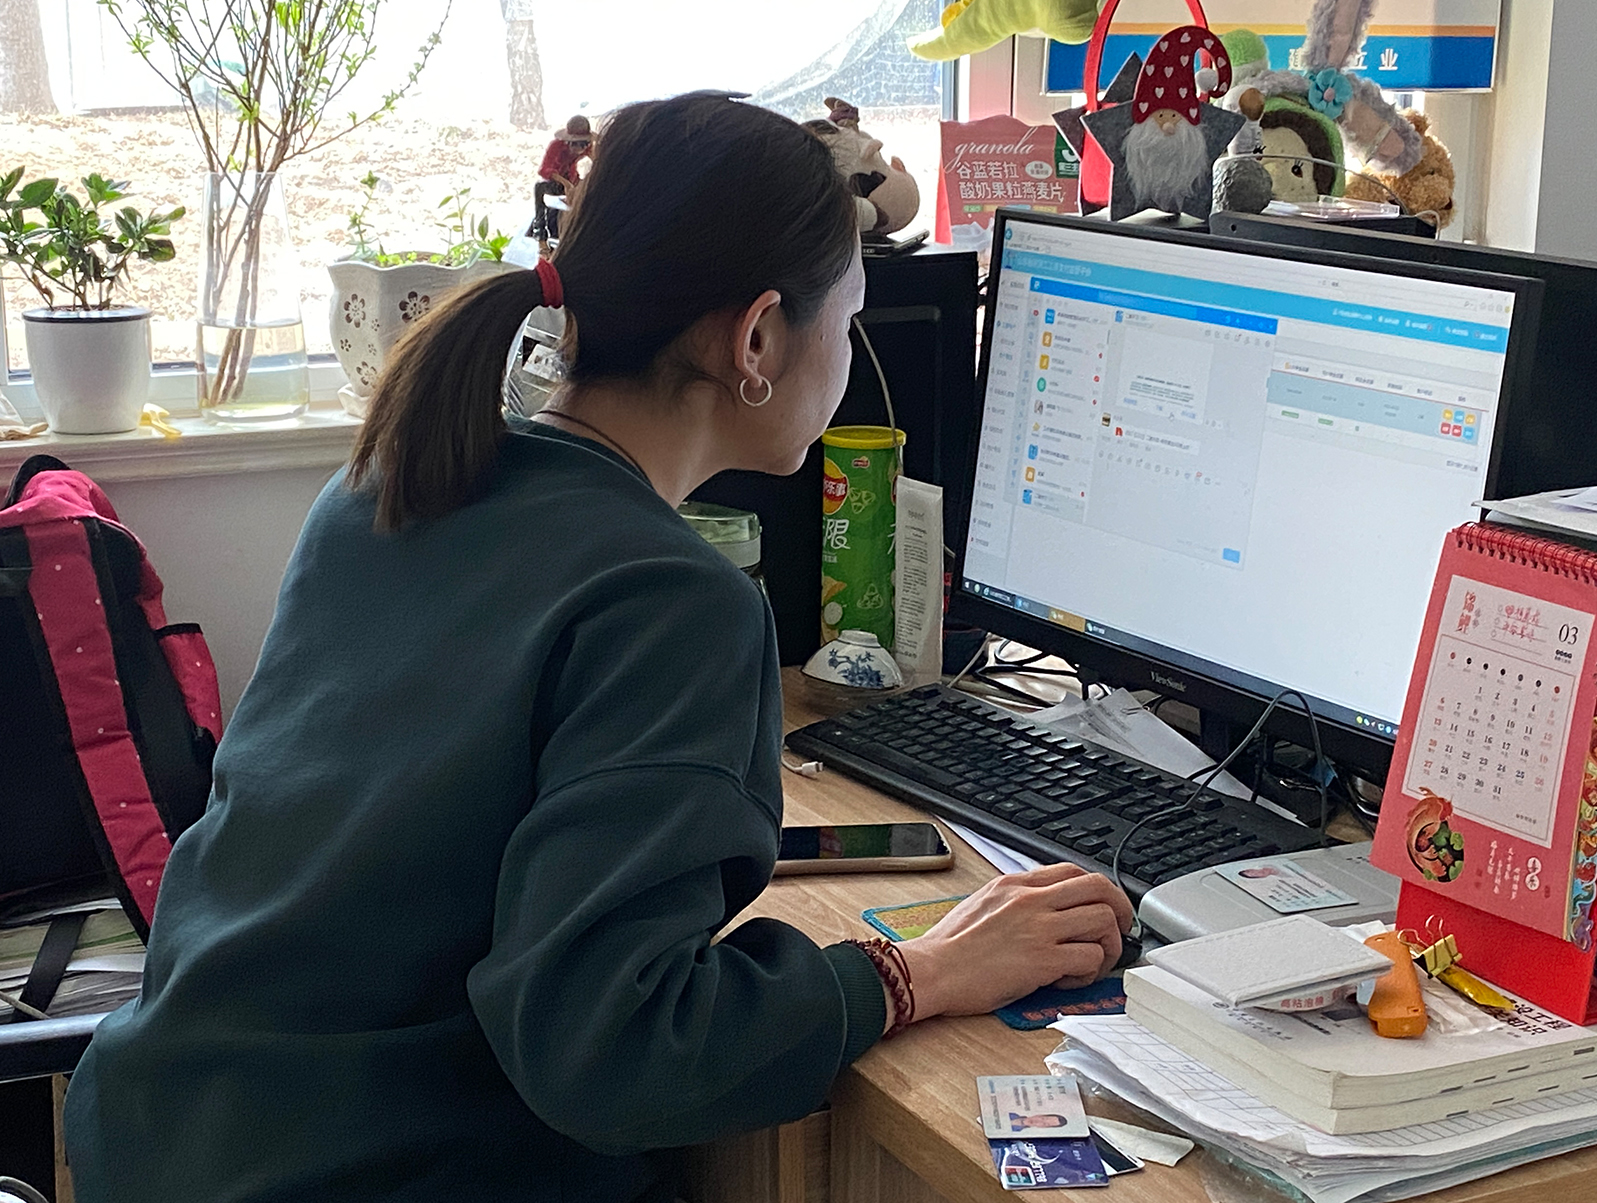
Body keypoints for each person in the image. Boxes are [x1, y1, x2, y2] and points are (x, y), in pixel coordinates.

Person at [63, 91, 1133, 1203]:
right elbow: (621, 1054)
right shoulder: (669, 601)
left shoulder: (391, 482)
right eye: (848, 318)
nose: (851, 357)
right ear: (757, 338)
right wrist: (917, 972)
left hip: (161, 1133)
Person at [531, 113, 594, 243]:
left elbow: (597, 161)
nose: (578, 149)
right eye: (575, 144)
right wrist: (565, 183)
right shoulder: (556, 146)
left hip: (574, 181)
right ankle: (540, 232)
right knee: (539, 187)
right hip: (556, 181)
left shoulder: (588, 148)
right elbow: (544, 169)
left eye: (583, 145)